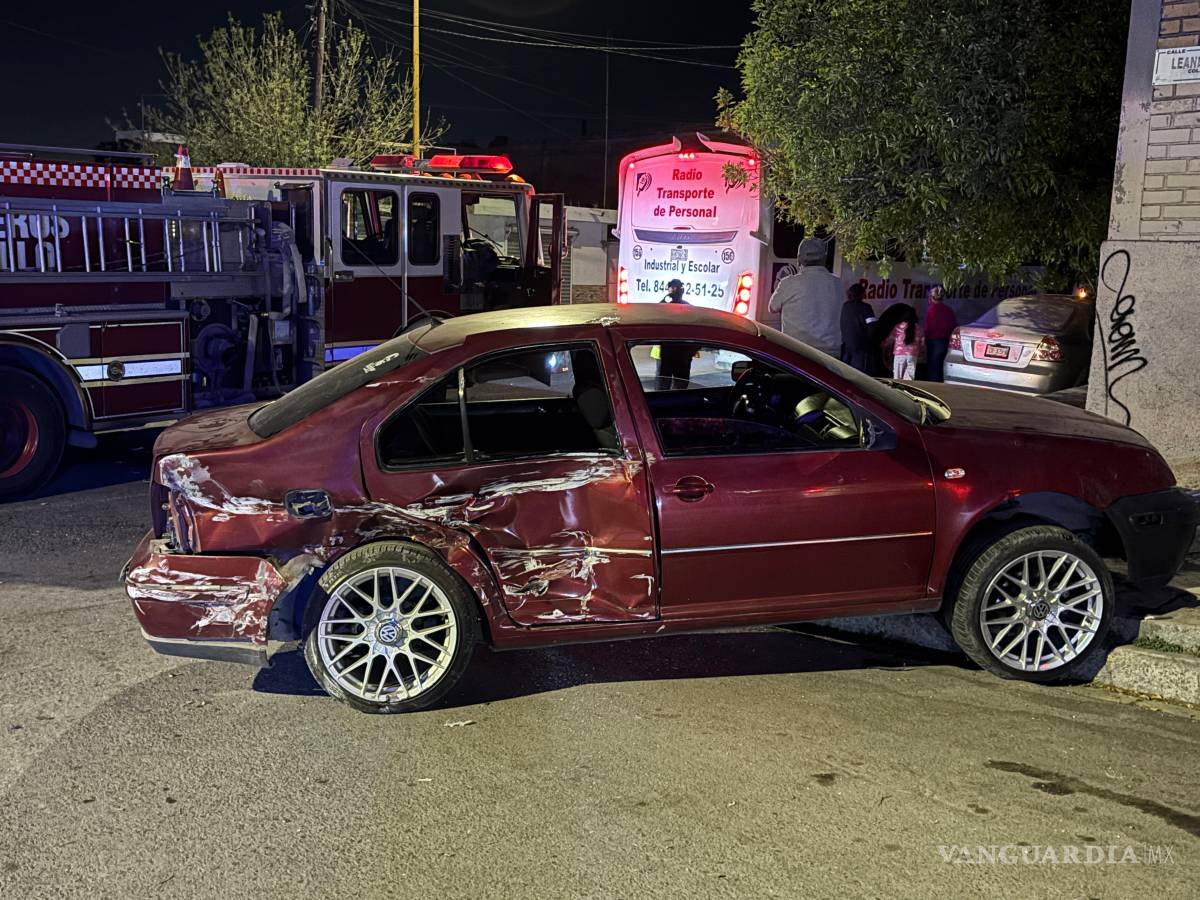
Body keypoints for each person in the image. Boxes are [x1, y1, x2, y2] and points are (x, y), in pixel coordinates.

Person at [767, 238, 842, 355]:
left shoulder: (788, 283)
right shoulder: (837, 284)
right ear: (824, 258)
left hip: (796, 353)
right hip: (830, 355)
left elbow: (772, 308)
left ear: (799, 259)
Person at [656, 279, 693, 389]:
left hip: (672, 353)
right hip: (681, 355)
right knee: (679, 387)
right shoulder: (688, 307)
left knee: (664, 386)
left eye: (672, 288)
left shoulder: (665, 306)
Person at [924, 286, 957, 382]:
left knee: (934, 368)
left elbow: (930, 327)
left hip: (934, 342)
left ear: (931, 297)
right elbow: (954, 325)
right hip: (946, 341)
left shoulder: (931, 310)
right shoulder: (948, 310)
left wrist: (924, 339)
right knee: (942, 367)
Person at [839, 282, 873, 373]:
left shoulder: (845, 306)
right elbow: (872, 326)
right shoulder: (866, 308)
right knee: (857, 374)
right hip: (860, 347)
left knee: (845, 373)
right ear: (862, 294)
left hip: (846, 346)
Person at [882, 307, 923, 381]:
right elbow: (922, 342)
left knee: (897, 378)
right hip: (912, 355)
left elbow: (891, 339)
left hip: (899, 354)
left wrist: (883, 344)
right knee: (909, 379)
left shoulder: (899, 326)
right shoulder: (918, 328)